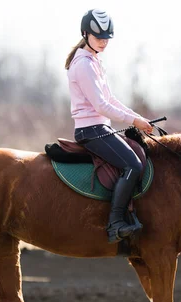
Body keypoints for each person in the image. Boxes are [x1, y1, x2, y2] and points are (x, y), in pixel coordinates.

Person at [65, 9, 154, 244]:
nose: (103, 42)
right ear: (85, 34)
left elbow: (111, 100)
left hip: (100, 127)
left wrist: (138, 118)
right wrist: (133, 121)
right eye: (98, 38)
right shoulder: (83, 64)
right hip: (91, 130)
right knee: (133, 165)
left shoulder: (94, 61)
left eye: (106, 38)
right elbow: (101, 105)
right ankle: (115, 223)